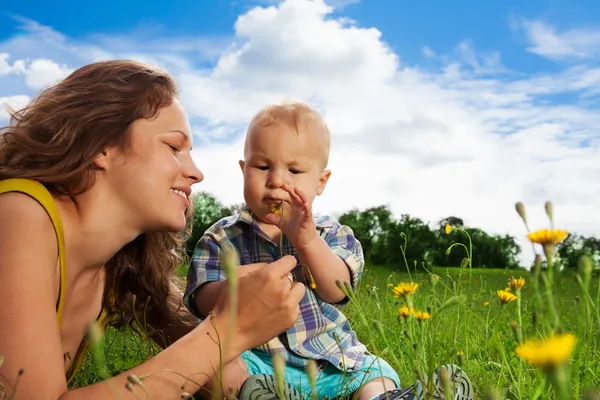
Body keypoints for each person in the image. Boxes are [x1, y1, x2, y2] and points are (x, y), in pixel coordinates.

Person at [0, 60, 306, 400]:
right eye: (175, 147)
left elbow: (210, 363)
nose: (196, 172)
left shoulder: (117, 268)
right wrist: (230, 330)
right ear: (101, 145)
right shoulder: (18, 213)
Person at [183, 101, 474, 400]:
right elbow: (201, 300)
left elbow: (338, 290)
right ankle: (265, 396)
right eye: (262, 166)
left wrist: (307, 241)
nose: (276, 181)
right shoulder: (221, 236)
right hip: (256, 359)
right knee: (215, 368)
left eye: (294, 170)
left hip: (332, 361)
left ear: (320, 182)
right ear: (244, 170)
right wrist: (235, 285)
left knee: (376, 375)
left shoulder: (331, 234)